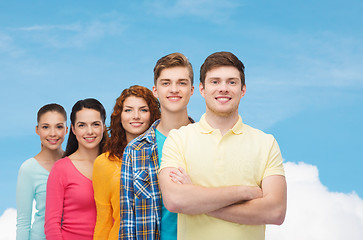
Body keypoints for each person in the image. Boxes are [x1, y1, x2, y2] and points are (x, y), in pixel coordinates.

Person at [159, 51, 287, 240]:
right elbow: (175, 200)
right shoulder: (178, 139)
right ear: (202, 89)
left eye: (232, 82)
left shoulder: (266, 143)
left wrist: (198, 201)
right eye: (215, 81)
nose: (223, 88)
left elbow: (275, 212)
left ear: (243, 90)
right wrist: (244, 192)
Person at [119, 53, 194, 240]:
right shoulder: (135, 150)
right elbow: (128, 221)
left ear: (192, 90)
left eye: (182, 83)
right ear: (155, 90)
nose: (174, 89)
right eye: (166, 83)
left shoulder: (209, 142)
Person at [92, 85, 161, 240]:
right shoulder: (103, 162)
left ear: (152, 115)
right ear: (119, 116)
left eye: (143, 110)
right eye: (128, 110)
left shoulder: (164, 153)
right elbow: (103, 220)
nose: (135, 116)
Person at [45, 98, 107, 240]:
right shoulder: (61, 169)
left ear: (103, 126)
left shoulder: (115, 164)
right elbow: (51, 225)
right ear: (73, 129)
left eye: (95, 124)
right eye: (82, 125)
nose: (89, 131)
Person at [16, 104, 68, 240]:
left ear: (67, 129)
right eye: (45, 127)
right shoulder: (28, 169)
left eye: (59, 126)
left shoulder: (73, 163)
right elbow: (23, 222)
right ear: (37, 130)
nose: (52, 133)